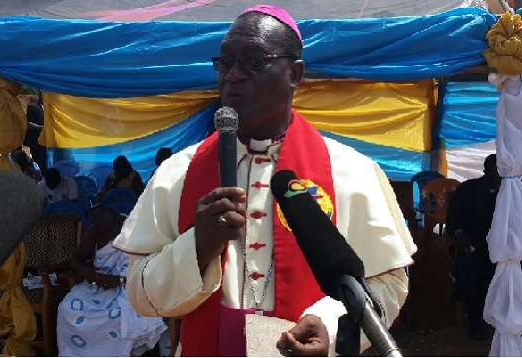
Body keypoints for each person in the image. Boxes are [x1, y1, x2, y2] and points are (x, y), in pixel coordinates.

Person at [113, 5, 416, 357]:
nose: (234, 75)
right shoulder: (176, 173)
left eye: (254, 61)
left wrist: (331, 326)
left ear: (295, 74)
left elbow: (388, 283)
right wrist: (197, 248)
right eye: (225, 62)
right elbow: (138, 292)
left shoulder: (352, 171)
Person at [57, 204, 167, 356]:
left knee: (121, 315)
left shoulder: (137, 231)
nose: (109, 238)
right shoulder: (95, 231)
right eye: (104, 234)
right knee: (66, 308)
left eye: (111, 233)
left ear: (118, 221)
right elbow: (76, 258)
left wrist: (120, 280)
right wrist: (86, 272)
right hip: (98, 285)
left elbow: (150, 269)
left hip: (130, 284)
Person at [446, 153, 500, 340]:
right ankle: (476, 323)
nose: (497, 177)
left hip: (500, 249)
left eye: (500, 173)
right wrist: (460, 235)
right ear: (485, 171)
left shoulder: (509, 192)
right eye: (494, 172)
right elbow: (454, 221)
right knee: (470, 269)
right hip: (474, 246)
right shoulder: (468, 189)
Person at [24, 91, 47, 173]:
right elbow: (29, 124)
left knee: (45, 165)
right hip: (37, 144)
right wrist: (43, 128)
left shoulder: (47, 109)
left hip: (45, 144)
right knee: (40, 166)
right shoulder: (33, 107)